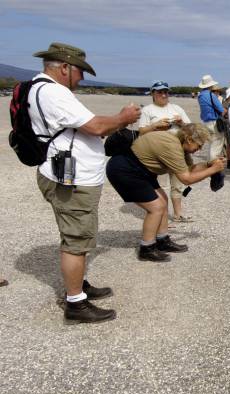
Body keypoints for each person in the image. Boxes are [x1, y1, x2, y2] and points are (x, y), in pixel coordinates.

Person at [30, 42, 141, 323]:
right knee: (76, 240)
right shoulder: (54, 92)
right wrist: (123, 118)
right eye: (80, 72)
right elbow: (96, 127)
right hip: (71, 180)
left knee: (75, 235)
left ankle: (78, 286)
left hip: (64, 174)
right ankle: (75, 303)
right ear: (65, 67)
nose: (81, 78)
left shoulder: (41, 88)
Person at [106, 124, 226, 262]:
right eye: (198, 146)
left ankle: (162, 241)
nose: (198, 150)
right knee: (156, 207)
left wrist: (210, 165)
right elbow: (186, 179)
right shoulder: (172, 147)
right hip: (125, 170)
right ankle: (147, 248)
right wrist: (212, 170)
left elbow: (189, 169)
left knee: (163, 201)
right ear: (188, 139)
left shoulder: (179, 145)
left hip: (141, 170)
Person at [138, 80, 192, 223]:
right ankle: (160, 215)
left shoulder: (177, 108)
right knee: (159, 184)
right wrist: (155, 125)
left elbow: (190, 128)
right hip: (156, 153)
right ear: (153, 94)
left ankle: (178, 213)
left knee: (178, 182)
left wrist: (181, 123)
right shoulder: (147, 110)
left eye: (166, 92)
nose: (164, 94)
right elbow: (141, 131)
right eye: (160, 92)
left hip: (176, 151)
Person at [197, 75, 225, 161]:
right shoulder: (211, 95)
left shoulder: (200, 95)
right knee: (217, 144)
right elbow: (221, 109)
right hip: (214, 122)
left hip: (205, 122)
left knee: (211, 144)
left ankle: (210, 163)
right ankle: (213, 166)